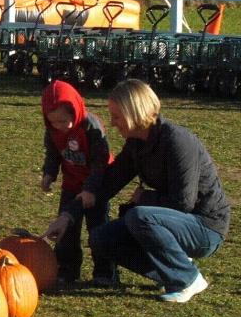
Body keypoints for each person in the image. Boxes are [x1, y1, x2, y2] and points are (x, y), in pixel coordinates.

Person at [44, 79, 230, 303]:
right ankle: (174, 268)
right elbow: (108, 182)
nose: (112, 123)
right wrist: (67, 215)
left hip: (205, 227)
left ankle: (188, 279)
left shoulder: (177, 141)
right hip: (173, 220)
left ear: (134, 112)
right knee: (101, 238)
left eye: (117, 116)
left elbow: (183, 203)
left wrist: (144, 198)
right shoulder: (136, 144)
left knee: (139, 216)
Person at [39, 80, 112, 285]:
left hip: (96, 185)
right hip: (71, 185)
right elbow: (53, 155)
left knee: (98, 227)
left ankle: (105, 271)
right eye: (55, 122)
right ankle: (67, 268)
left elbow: (100, 162)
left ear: (75, 110)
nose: (62, 126)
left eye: (65, 120)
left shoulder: (91, 127)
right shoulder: (53, 132)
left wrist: (91, 190)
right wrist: (49, 174)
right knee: (67, 230)